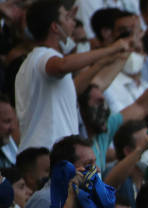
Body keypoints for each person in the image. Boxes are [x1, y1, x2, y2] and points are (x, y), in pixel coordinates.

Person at [15, 0, 129, 151]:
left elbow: (72, 90)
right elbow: (63, 65)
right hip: (47, 154)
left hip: (52, 155)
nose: (73, 24)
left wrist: (102, 62)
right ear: (55, 27)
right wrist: (110, 49)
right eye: (67, 18)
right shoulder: (43, 57)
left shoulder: (37, 60)